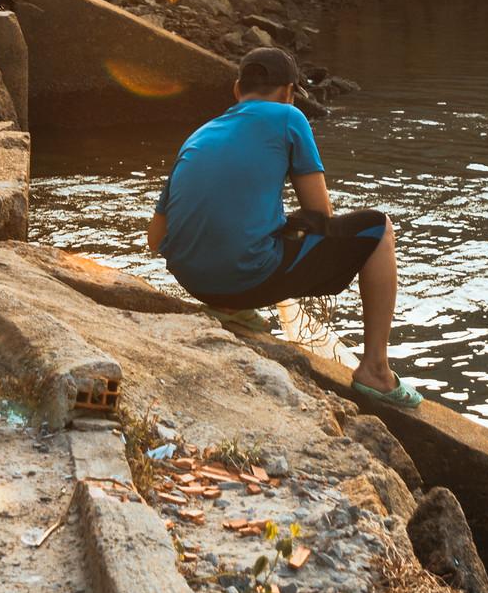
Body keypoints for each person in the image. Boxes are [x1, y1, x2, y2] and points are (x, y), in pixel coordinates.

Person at [146, 45, 421, 410]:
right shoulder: (288, 118)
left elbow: (155, 239)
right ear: (289, 93)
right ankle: (375, 370)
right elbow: (320, 212)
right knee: (378, 229)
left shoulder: (199, 135)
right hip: (244, 277)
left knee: (257, 229)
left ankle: (228, 309)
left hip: (193, 281)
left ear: (236, 90)